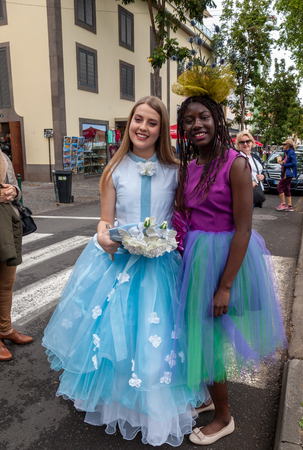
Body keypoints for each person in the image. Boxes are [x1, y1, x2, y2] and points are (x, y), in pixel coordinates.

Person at [42, 96, 203, 447]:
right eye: (137, 120)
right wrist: (102, 234)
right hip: (118, 262)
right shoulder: (114, 169)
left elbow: (185, 216)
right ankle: (121, 404)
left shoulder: (176, 170)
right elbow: (105, 219)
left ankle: (155, 405)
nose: (142, 127)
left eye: (152, 122)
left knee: (158, 336)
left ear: (161, 130)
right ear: (128, 124)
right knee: (119, 336)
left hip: (161, 265)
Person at [170, 95, 287, 446]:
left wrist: (225, 286)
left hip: (226, 261)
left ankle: (224, 417)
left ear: (218, 119)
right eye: (188, 120)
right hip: (197, 257)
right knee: (200, 334)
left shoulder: (236, 164)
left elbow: (244, 229)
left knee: (208, 338)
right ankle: (208, 400)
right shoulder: (189, 166)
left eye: (203, 117)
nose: (196, 125)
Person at [0, 149, 33, 361]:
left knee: (6, 283)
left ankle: (4, 329)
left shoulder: (2, 156)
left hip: (6, 226)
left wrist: (14, 191)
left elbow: (15, 189)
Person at [236, 130, 265, 208]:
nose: (245, 144)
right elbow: (235, 176)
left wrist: (262, 176)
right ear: (238, 145)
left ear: (252, 142)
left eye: (248, 141)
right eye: (242, 142)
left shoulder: (255, 157)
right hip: (244, 193)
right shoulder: (237, 158)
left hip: (256, 192)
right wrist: (248, 183)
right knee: (244, 218)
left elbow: (261, 171)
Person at [275, 139, 297, 212]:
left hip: (288, 173)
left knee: (279, 187)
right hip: (286, 172)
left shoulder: (291, 152)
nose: (283, 145)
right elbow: (287, 161)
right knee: (287, 188)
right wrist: (282, 161)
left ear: (288, 145)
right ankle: (290, 206)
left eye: (284, 144)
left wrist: (284, 164)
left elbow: (294, 163)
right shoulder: (286, 152)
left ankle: (283, 204)